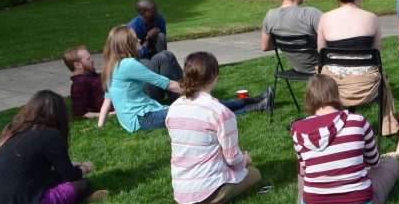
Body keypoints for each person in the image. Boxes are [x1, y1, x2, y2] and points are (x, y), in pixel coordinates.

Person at [97, 25, 271, 133]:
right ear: (126, 43)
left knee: (202, 106)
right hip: (142, 118)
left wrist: (99, 126)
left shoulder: (110, 65)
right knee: (201, 109)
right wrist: (201, 96)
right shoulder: (127, 65)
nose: (139, 39)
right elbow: (167, 83)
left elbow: (107, 100)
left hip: (138, 117)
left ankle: (255, 101)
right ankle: (256, 106)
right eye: (134, 38)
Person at [0, 90, 108, 204]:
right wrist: (85, 167)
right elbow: (70, 177)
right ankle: (81, 199)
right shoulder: (51, 135)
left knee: (55, 177)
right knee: (83, 184)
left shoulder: (13, 131)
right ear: (59, 115)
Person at [292, 75, 399, 204]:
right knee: (392, 163)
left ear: (309, 98)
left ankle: (310, 200)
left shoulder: (297, 128)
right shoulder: (357, 121)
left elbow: (304, 171)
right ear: (336, 94)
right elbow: (374, 162)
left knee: (302, 171)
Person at [165, 52, 263, 204]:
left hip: (181, 188)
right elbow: (233, 159)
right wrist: (245, 160)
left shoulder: (174, 107)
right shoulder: (219, 112)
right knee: (254, 174)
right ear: (213, 76)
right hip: (210, 187)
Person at [316, 0, 399, 136]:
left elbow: (321, 54)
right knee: (382, 77)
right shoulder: (372, 18)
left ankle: (325, 128)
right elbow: (376, 55)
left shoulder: (325, 18)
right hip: (365, 86)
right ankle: (388, 127)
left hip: (333, 88)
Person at [260, 0, 323, 74]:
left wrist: (287, 44)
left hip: (299, 68)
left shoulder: (270, 16)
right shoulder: (311, 14)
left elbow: (265, 46)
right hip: (322, 68)